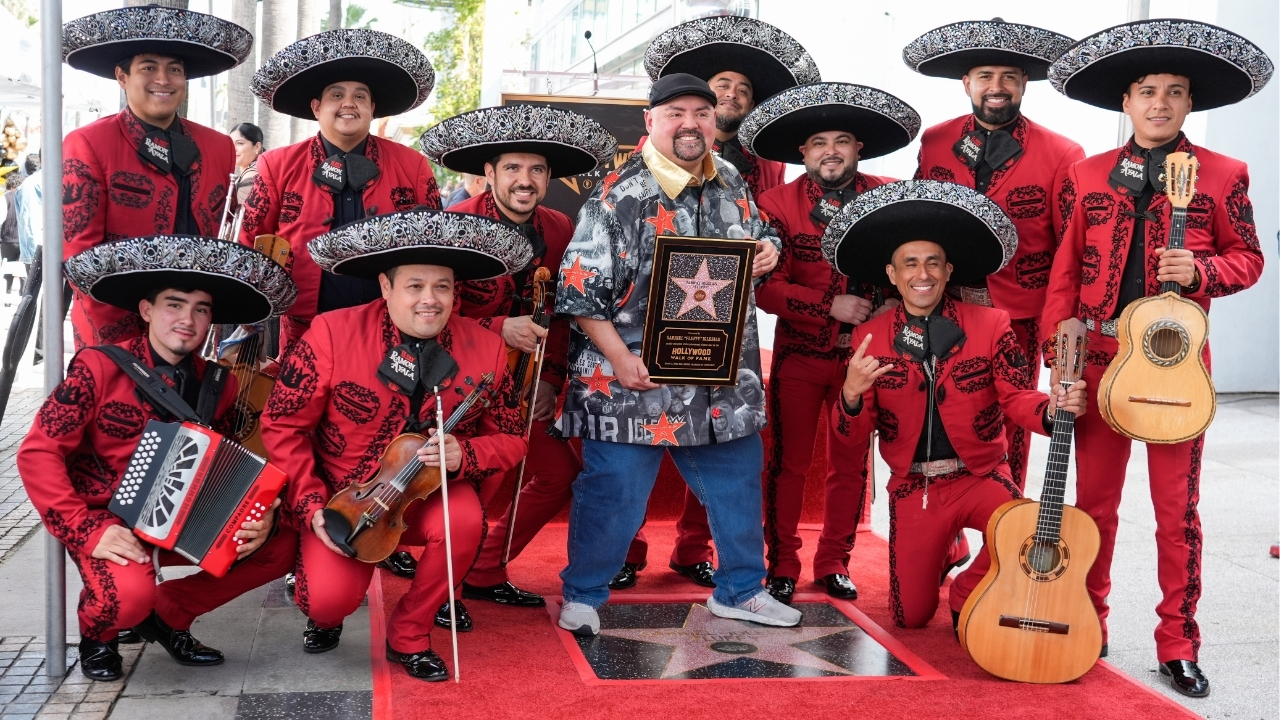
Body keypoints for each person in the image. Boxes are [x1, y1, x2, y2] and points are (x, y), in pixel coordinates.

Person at [1043, 20, 1271, 697]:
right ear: (1127, 102)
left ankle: (1178, 641)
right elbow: (1062, 275)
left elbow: (1250, 259)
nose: (1161, 104)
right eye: (1148, 92)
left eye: (1175, 93)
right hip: (1098, 360)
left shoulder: (1225, 174)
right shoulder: (1083, 176)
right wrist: (1059, 360)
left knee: (1179, 513)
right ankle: (1090, 619)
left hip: (1176, 367)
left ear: (1189, 104)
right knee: (1095, 506)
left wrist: (1202, 272)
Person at [552, 73, 793, 636]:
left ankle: (742, 591)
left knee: (738, 482)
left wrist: (768, 250)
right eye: (676, 112)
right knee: (615, 494)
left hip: (721, 378)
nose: (691, 123)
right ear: (651, 121)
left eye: (702, 113)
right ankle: (584, 593)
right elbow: (578, 293)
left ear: (714, 121)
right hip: (631, 378)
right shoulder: (617, 195)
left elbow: (761, 231)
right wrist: (620, 358)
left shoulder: (731, 178)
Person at [260, 210, 531, 681]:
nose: (431, 300)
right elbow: (282, 425)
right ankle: (322, 610)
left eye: (443, 287)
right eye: (415, 286)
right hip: (344, 497)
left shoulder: (484, 347)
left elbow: (513, 439)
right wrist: (310, 504)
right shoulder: (329, 333)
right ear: (385, 287)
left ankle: (410, 633)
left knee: (464, 521)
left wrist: (465, 455)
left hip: (427, 493)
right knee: (328, 602)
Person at [20, 234, 297, 681]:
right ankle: (99, 633)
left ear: (211, 321)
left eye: (201, 309)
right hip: (106, 520)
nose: (187, 319)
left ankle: (168, 615)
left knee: (283, 544)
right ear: (147, 311)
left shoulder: (219, 384)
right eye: (174, 304)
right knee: (126, 598)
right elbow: (38, 453)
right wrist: (85, 529)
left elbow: (225, 465)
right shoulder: (99, 367)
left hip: (182, 522)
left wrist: (259, 515)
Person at [824, 179, 1087, 631]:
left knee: (1029, 530)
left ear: (948, 272)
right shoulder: (872, 336)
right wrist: (850, 394)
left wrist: (1054, 407)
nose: (921, 274)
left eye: (933, 264)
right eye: (910, 264)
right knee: (911, 617)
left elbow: (1016, 396)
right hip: (915, 488)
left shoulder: (991, 323)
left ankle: (966, 586)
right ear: (892, 275)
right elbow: (850, 440)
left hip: (981, 476)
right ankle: (948, 547)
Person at [618, 14, 819, 591]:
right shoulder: (654, 148)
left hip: (728, 319)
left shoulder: (759, 166)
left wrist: (772, 250)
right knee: (645, 433)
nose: (731, 96)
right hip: (650, 317)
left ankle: (691, 547)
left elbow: (771, 224)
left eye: (743, 90)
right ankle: (625, 548)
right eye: (721, 86)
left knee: (721, 432)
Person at [420, 104, 617, 630]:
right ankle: (441, 590)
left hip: (529, 385)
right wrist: (494, 330)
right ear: (488, 173)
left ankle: (483, 571)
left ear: (549, 178)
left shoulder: (561, 227)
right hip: (462, 384)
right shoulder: (454, 226)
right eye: (512, 168)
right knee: (472, 489)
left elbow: (562, 313)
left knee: (557, 475)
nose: (524, 180)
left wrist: (552, 378)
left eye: (536, 170)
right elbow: (427, 314)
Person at [738, 82, 919, 603]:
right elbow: (764, 287)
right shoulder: (773, 203)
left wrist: (893, 303)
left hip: (864, 360)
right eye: (820, 142)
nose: (831, 150)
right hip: (800, 354)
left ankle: (835, 561)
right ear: (804, 151)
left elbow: (912, 265)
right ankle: (783, 563)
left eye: (842, 140)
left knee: (851, 461)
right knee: (788, 463)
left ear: (859, 148)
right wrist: (827, 308)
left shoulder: (888, 195)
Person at [904, 18, 1084, 491]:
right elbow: (917, 222)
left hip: (1018, 316)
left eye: (1008, 77)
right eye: (985, 76)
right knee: (938, 420)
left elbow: (1072, 251)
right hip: (941, 307)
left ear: (1024, 84)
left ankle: (1003, 537)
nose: (996, 87)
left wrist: (1058, 329)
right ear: (967, 83)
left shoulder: (1064, 153)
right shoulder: (936, 141)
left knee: (1011, 428)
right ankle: (946, 538)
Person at [59, 6, 250, 349]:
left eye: (174, 70)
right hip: (115, 328)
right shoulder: (88, 143)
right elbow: (80, 258)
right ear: (122, 76)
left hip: (193, 328)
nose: (163, 80)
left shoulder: (219, 146)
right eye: (148, 67)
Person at [240, 28, 442, 351]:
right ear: (316, 107)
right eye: (337, 95)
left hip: (393, 336)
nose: (349, 103)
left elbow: (437, 253)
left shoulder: (413, 166)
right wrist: (249, 331)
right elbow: (249, 248)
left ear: (372, 108)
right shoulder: (276, 167)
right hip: (304, 336)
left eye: (360, 96)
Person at [229, 122, 264, 215]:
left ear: (257, 147)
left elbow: (243, 220)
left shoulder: (251, 175)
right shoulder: (260, 167)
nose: (233, 148)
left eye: (239, 143)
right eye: (231, 143)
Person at [1, 171, 22, 294]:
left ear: (9, 185)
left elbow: (1, 218)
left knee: (7, 270)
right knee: (24, 271)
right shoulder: (27, 196)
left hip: (8, 239)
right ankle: (23, 296)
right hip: (24, 239)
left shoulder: (6, 197)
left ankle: (7, 294)